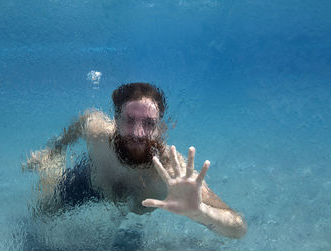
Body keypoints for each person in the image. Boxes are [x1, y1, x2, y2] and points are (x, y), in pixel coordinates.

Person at [24, 82, 247, 239]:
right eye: (129, 120)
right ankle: (49, 167)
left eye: (149, 123)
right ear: (116, 120)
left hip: (132, 209)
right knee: (41, 214)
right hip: (90, 181)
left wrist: (200, 212)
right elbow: (83, 120)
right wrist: (54, 150)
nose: (138, 133)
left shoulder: (171, 171)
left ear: (161, 128)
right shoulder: (98, 131)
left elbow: (238, 228)